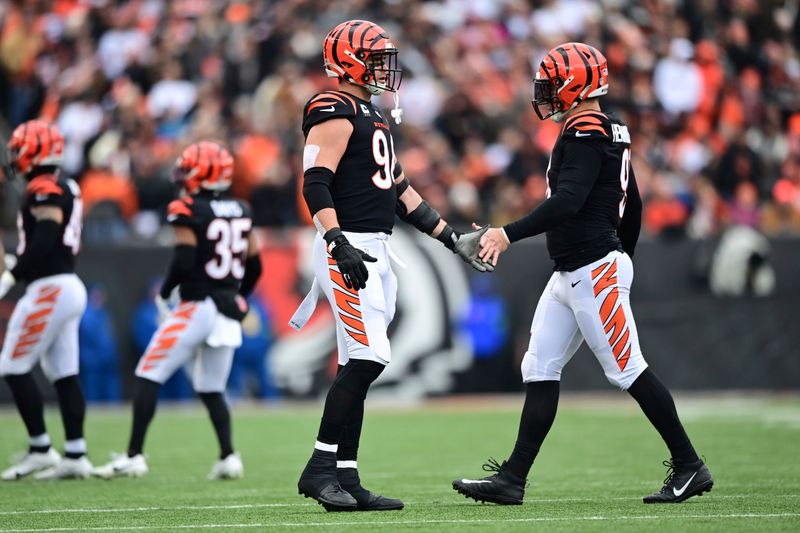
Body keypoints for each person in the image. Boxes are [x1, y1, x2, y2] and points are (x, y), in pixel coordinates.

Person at [452, 43, 713, 505]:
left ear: (575, 85)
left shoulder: (587, 129)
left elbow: (568, 202)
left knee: (627, 369)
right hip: (574, 270)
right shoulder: (606, 127)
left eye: (553, 83)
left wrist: (508, 234)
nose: (547, 93)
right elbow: (632, 202)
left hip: (592, 268)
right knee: (539, 367)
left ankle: (690, 465)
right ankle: (513, 479)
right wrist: (622, 254)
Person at [293, 19, 490, 512]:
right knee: (369, 357)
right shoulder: (333, 107)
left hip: (377, 249)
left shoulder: (370, 113)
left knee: (356, 361)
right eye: (376, 57)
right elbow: (314, 182)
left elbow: (399, 191)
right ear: (350, 61)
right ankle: (319, 468)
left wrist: (451, 238)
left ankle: (346, 474)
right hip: (350, 247)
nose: (385, 68)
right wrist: (336, 241)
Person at [92, 141, 262, 480]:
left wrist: (167, 291)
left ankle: (134, 455)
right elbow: (255, 265)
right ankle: (229, 456)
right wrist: (234, 295)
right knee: (212, 388)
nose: (182, 175)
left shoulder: (187, 209)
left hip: (197, 305)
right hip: (225, 311)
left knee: (148, 372)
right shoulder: (241, 209)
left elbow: (185, 260)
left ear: (202, 174)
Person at [0, 120, 91, 480]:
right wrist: (19, 263)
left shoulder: (43, 186)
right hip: (64, 284)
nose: (15, 157)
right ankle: (75, 454)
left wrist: (12, 274)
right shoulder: (65, 183)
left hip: (50, 288)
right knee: (65, 374)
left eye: (20, 150)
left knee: (11, 365)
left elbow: (47, 236)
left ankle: (41, 449)